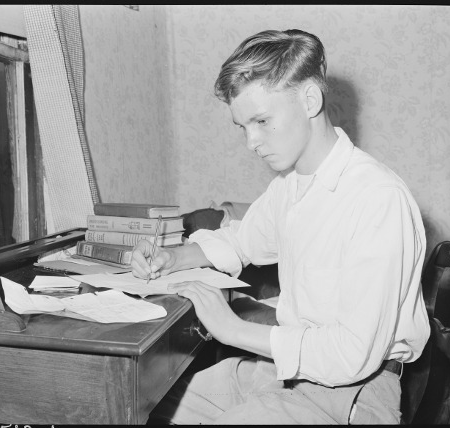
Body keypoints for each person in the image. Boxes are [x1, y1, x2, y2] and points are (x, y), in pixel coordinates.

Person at [131, 29, 430, 424]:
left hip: (356, 390)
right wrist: (173, 258)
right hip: (287, 372)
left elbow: (350, 355)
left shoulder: (378, 198)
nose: (252, 141)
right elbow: (241, 240)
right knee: (146, 406)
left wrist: (232, 329)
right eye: (243, 126)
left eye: (262, 120)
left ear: (309, 99)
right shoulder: (289, 187)